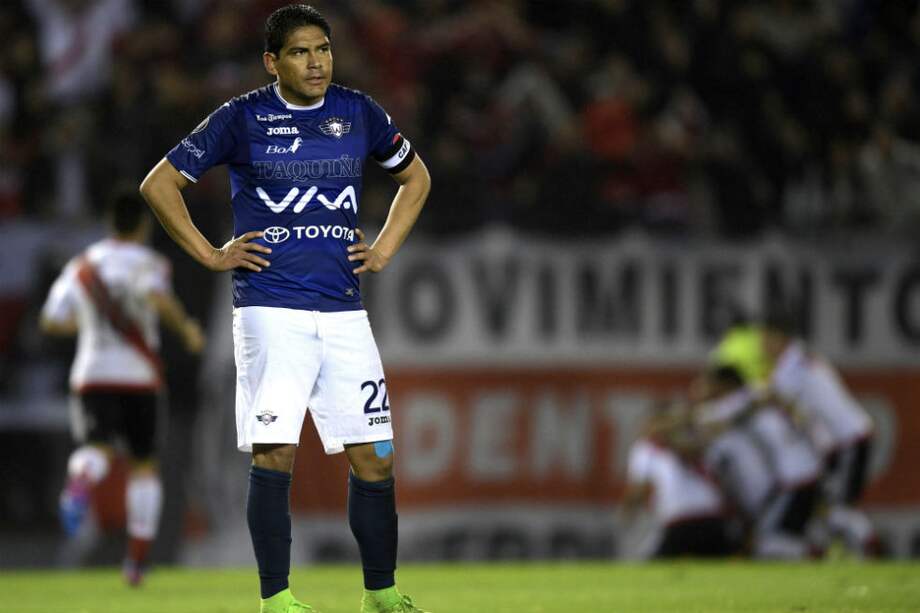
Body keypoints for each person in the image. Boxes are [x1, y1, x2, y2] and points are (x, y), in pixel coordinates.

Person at [139, 5, 431, 613]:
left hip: (345, 313)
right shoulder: (242, 117)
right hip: (270, 310)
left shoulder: (359, 112)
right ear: (273, 62)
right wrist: (211, 254)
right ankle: (278, 598)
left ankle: (379, 591)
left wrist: (381, 251)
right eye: (300, 52)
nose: (316, 61)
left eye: (322, 49)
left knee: (375, 456)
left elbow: (417, 178)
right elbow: (159, 184)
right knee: (277, 453)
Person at [40, 185, 204, 586]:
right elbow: (158, 300)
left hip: (91, 374)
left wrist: (84, 324)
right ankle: (135, 563)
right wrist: (185, 330)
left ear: (109, 224)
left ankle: (81, 480)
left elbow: (50, 320)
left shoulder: (81, 266)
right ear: (143, 225)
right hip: (138, 377)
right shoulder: (148, 263)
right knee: (144, 466)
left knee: (95, 448)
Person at [763, 315, 877, 556]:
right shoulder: (804, 360)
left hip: (849, 441)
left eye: (765, 339)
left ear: (779, 338)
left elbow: (772, 396)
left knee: (836, 509)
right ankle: (832, 553)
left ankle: (872, 546)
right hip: (843, 441)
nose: (762, 347)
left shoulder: (791, 368)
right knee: (826, 509)